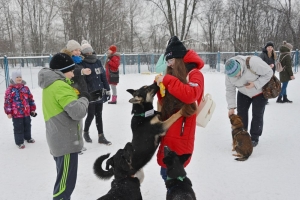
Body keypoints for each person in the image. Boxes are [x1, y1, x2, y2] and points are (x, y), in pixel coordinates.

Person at [38, 53, 89, 200]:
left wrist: (78, 98)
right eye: (72, 71)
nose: (73, 74)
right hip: (66, 142)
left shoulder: (52, 84)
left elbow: (65, 106)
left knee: (64, 182)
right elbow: (78, 112)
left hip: (59, 139)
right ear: (63, 70)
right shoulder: (60, 86)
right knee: (64, 187)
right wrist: (85, 98)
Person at [154, 36, 204, 181]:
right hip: (168, 126)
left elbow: (191, 95)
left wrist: (168, 80)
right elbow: (165, 101)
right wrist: (159, 88)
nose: (169, 65)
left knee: (174, 175)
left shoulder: (195, 74)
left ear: (179, 59)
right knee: (165, 172)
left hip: (182, 131)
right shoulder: (174, 73)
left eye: (171, 61)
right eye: (167, 62)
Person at [225, 55, 273, 147]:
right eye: (232, 76)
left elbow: (269, 72)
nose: (235, 77)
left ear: (240, 67)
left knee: (257, 114)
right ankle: (242, 135)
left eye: (236, 74)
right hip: (243, 92)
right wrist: (231, 107)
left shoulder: (253, 63)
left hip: (259, 92)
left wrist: (255, 84)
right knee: (241, 114)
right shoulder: (229, 75)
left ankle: (254, 137)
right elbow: (230, 90)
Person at [80, 41, 112, 145]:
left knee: (99, 114)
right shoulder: (82, 63)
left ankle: (101, 136)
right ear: (84, 54)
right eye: (87, 53)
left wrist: (107, 89)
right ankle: (85, 132)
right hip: (90, 93)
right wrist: (85, 93)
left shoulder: (97, 62)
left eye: (90, 52)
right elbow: (82, 81)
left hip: (100, 91)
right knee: (91, 114)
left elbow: (103, 76)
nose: (89, 54)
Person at [4, 71, 36, 149]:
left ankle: (28, 137)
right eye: (17, 77)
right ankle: (19, 142)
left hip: (26, 112)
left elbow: (30, 99)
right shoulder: (10, 89)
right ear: (13, 78)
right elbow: (7, 102)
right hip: (16, 113)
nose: (19, 79)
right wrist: (8, 112)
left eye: (20, 77)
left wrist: (32, 109)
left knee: (27, 125)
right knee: (18, 127)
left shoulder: (25, 88)